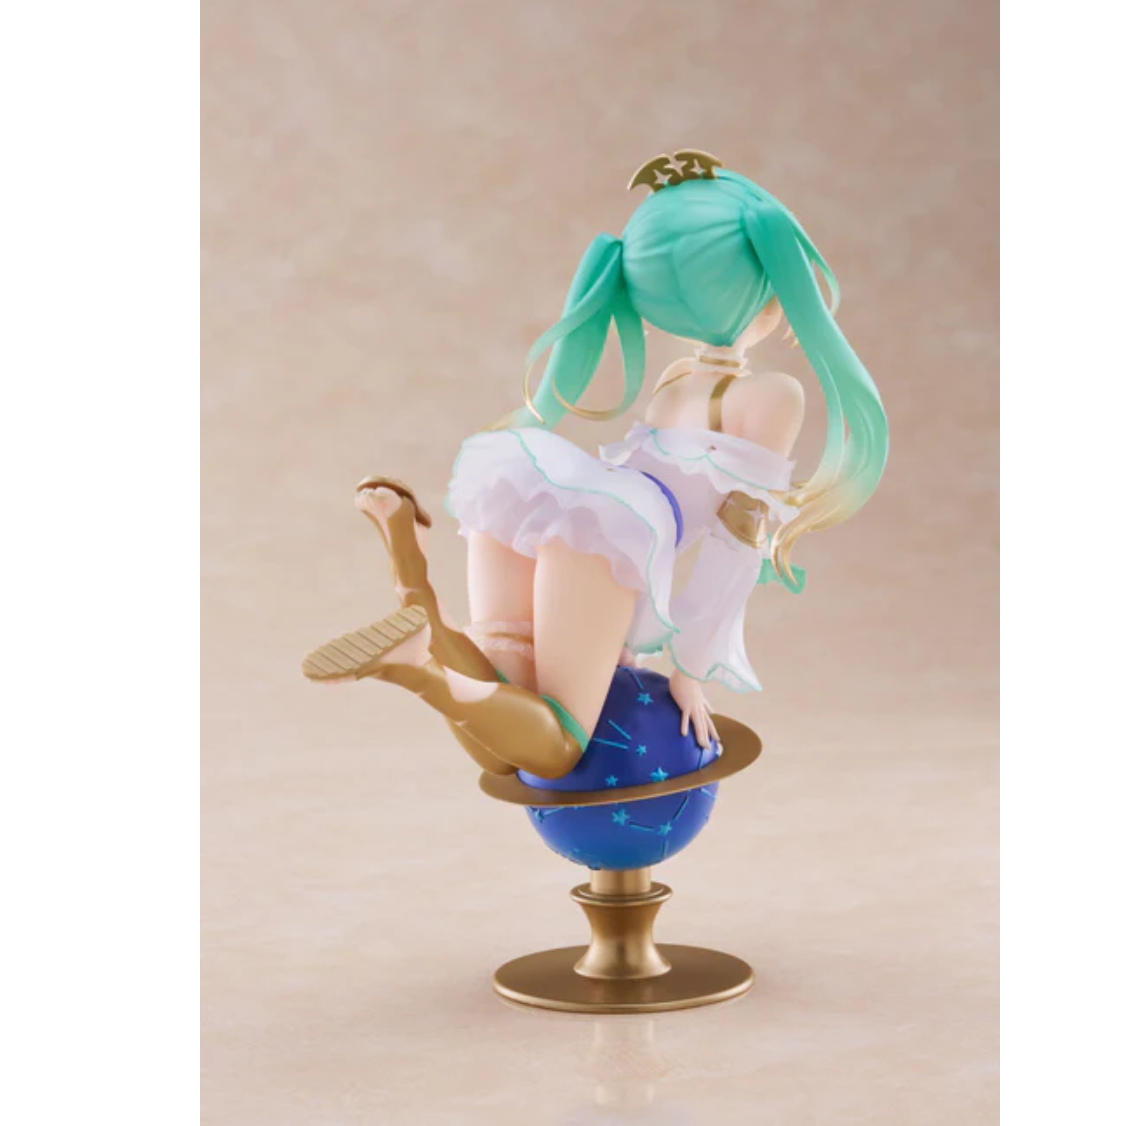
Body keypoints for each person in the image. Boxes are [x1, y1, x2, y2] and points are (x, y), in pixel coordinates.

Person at [302, 153, 888, 781]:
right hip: (607, 534)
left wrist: (620, 635)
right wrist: (690, 670)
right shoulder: (772, 396)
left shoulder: (677, 378)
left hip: (539, 498)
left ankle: (411, 576)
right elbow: (735, 541)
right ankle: (419, 667)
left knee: (501, 748)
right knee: (558, 749)